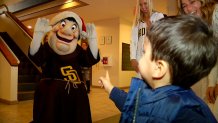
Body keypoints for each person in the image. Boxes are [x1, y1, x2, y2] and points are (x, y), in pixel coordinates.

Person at [99, 15, 218, 122]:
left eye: (144, 52)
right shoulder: (156, 91)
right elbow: (133, 106)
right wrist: (110, 88)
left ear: (159, 67)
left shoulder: (187, 115)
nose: (139, 58)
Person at [28, 11, 100, 123]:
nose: (67, 31)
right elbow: (35, 56)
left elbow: (90, 59)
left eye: (73, 27)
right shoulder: (49, 48)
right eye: (63, 24)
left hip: (75, 99)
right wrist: (37, 36)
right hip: (51, 98)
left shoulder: (77, 50)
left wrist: (93, 40)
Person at [178, 0, 218, 120]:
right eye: (185, 6)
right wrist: (212, 83)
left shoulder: (216, 12)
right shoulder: (202, 25)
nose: (189, 9)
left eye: (192, 2)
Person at [130, 0, 164, 78]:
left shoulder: (158, 16)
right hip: (140, 59)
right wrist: (133, 58)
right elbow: (133, 41)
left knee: (153, 84)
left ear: (150, 2)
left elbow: (162, 39)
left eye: (145, 4)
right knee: (141, 85)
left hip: (154, 58)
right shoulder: (137, 22)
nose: (143, 7)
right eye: (140, 5)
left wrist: (152, 30)